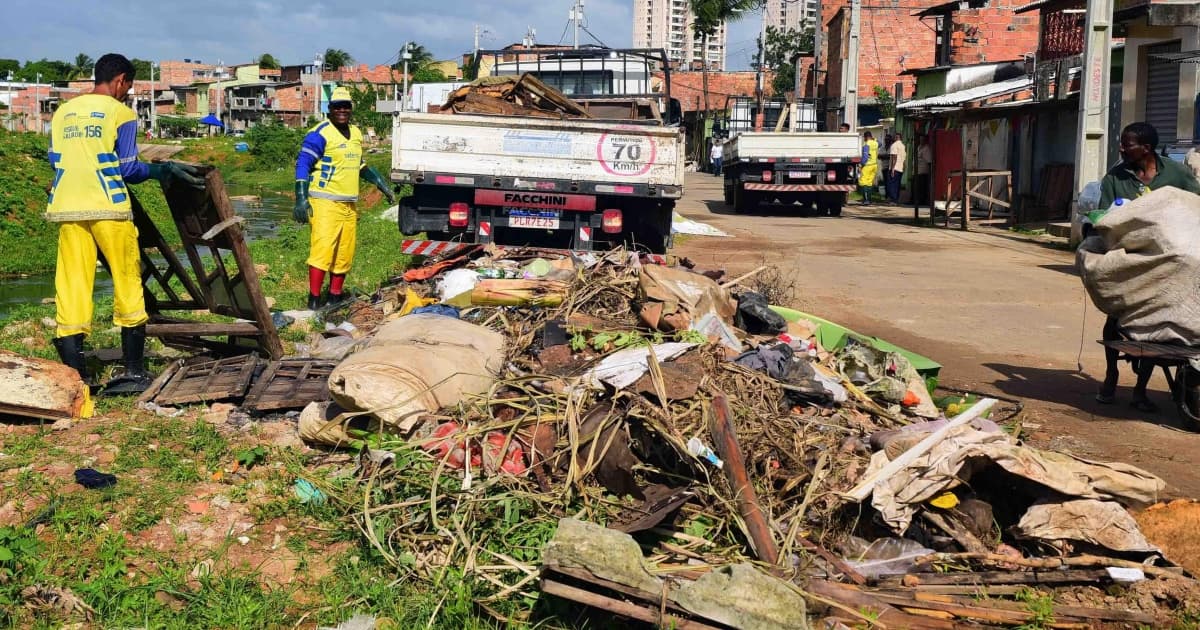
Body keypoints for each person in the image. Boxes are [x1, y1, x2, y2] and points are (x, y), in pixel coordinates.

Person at [47, 53, 205, 393]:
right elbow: (130, 169)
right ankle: (133, 371)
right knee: (127, 280)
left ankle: (76, 373)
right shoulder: (120, 113)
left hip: (67, 207)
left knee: (72, 284)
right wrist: (162, 170)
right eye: (128, 86)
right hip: (109, 208)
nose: (127, 93)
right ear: (120, 80)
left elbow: (56, 160)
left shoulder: (62, 113)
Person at [1095, 121, 1200, 411]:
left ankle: (1140, 390)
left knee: (1160, 317)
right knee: (1117, 312)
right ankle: (1111, 374)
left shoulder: (1176, 173)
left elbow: (1195, 205)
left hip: (1167, 254)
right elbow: (1106, 218)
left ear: (1146, 148)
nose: (1121, 148)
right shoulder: (1116, 177)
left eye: (1127, 144)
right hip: (1129, 251)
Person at [294, 86, 397, 311]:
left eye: (346, 107)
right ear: (329, 109)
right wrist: (301, 198)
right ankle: (313, 302)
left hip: (348, 203)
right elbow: (303, 164)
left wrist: (381, 185)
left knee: (344, 251)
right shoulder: (320, 133)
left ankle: (335, 297)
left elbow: (359, 165)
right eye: (337, 106)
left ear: (351, 109)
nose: (342, 110)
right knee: (322, 251)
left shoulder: (356, 133)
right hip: (324, 201)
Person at [858, 131, 879, 205]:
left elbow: (865, 156)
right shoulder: (875, 143)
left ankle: (866, 200)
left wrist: (861, 165)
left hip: (867, 165)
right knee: (870, 183)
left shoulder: (866, 144)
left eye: (864, 137)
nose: (864, 139)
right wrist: (874, 139)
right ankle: (870, 200)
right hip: (874, 165)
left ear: (866, 137)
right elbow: (880, 143)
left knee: (863, 182)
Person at [914, 135, 933, 210]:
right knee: (918, 186)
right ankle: (918, 200)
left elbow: (929, 161)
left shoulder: (926, 149)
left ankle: (922, 201)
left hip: (924, 171)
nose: (921, 141)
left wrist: (930, 171)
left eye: (922, 139)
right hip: (917, 170)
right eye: (920, 139)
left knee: (923, 187)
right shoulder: (919, 147)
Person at [888, 134, 907, 203]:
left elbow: (894, 157)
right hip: (900, 168)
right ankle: (896, 199)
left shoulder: (894, 145)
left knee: (892, 184)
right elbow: (904, 158)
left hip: (895, 168)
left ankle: (893, 200)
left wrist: (892, 169)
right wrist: (904, 167)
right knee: (897, 184)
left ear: (896, 138)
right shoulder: (903, 146)